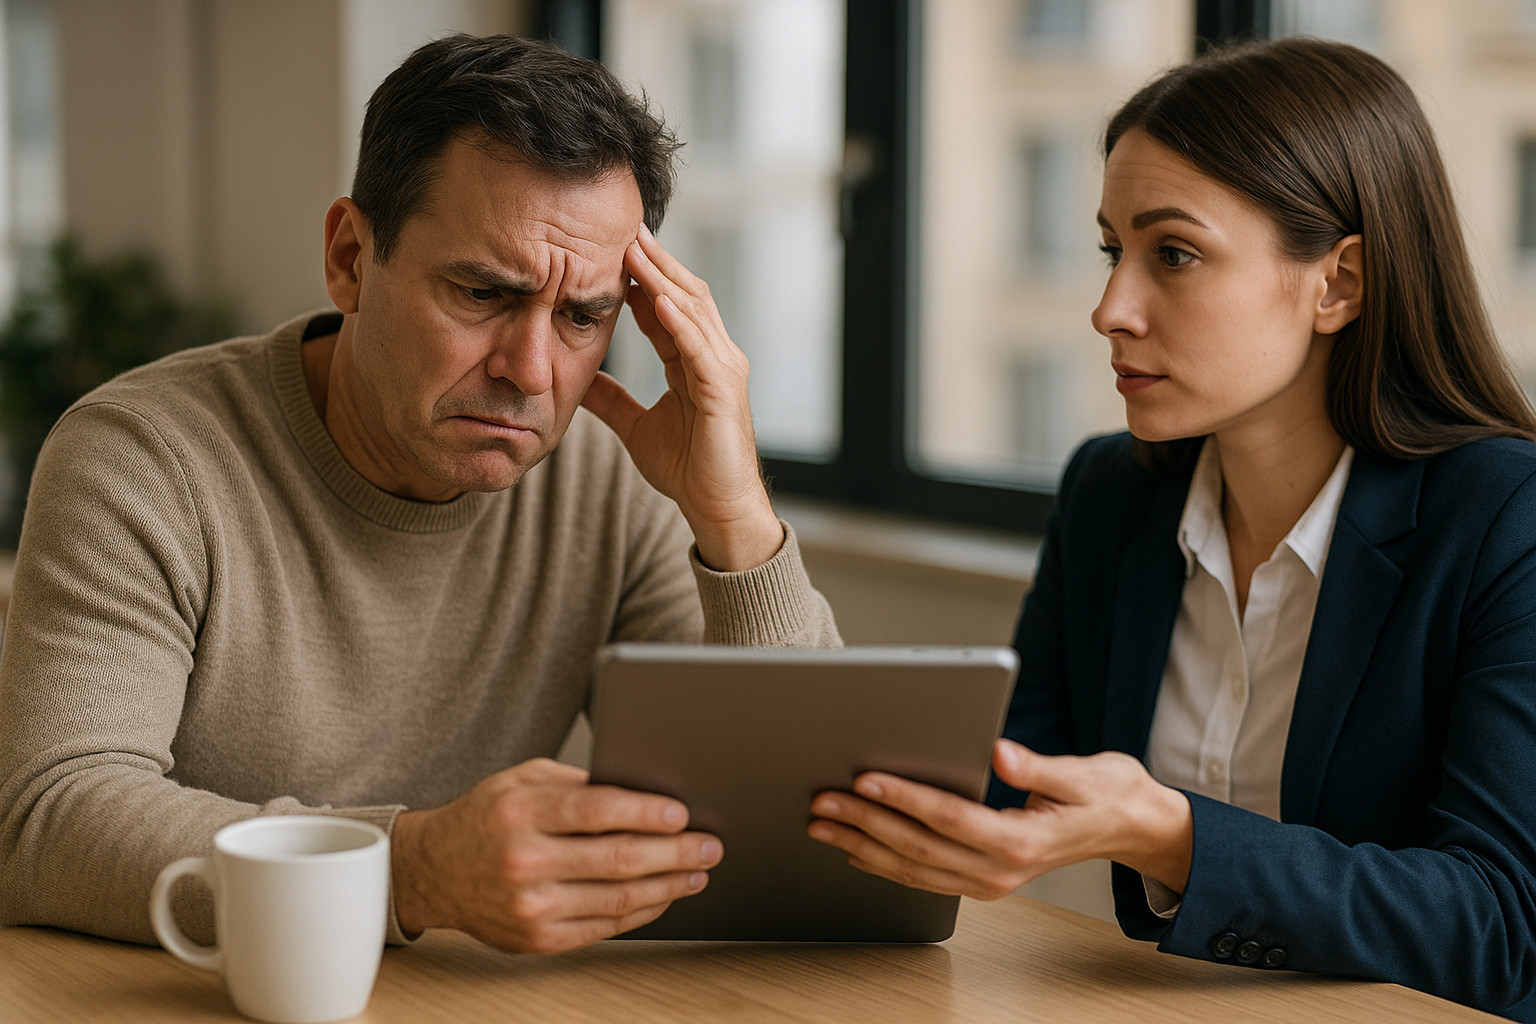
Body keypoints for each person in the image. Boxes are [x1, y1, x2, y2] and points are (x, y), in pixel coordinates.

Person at [0, 35, 838, 955]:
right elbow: (51, 819)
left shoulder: (607, 484)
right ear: (351, 258)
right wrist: (412, 867)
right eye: (482, 292)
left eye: (581, 317)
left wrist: (737, 524)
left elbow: (813, 822)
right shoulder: (143, 460)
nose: (530, 371)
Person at [807, 37, 1536, 1020]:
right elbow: (1011, 778)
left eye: (1174, 254)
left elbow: (1499, 927)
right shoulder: (1112, 495)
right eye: (1114, 251)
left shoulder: (1505, 519)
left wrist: (1172, 833)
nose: (1111, 308)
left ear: (1339, 283)